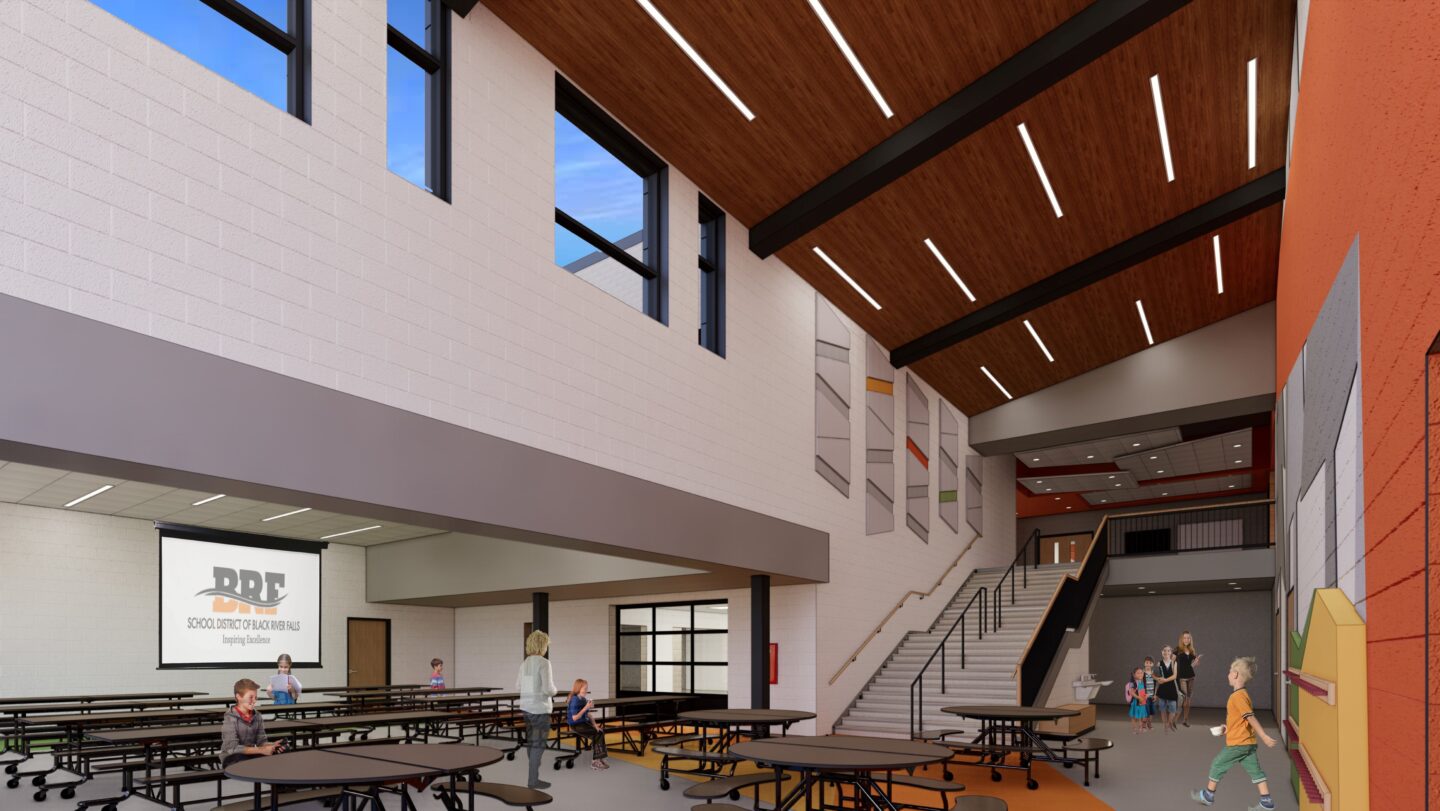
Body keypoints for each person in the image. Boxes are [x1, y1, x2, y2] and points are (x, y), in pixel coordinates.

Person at [1190, 657, 1277, 809]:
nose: (1228, 674)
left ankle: (1208, 796)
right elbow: (1241, 721)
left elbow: (1250, 717)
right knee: (1256, 771)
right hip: (1248, 743)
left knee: (1217, 764)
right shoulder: (1243, 695)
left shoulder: (1237, 697)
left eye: (1229, 671)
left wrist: (1264, 736)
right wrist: (1227, 729)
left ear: (1236, 674)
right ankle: (1266, 802)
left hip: (1238, 744)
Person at [516, 630, 556, 790]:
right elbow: (548, 689)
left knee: (532, 743)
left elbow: (518, 686)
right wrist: (555, 690)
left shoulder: (525, 663)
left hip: (526, 708)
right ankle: (533, 781)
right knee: (538, 745)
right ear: (542, 645)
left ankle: (533, 777)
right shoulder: (544, 663)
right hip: (540, 710)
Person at [220, 678, 281, 766]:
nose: (254, 701)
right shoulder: (230, 718)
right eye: (251, 697)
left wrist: (272, 745)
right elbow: (232, 748)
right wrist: (261, 750)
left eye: (255, 697)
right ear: (238, 697)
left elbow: (261, 742)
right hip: (231, 757)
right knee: (248, 761)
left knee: (277, 755)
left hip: (250, 755)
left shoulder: (257, 716)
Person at [566, 679, 609, 771]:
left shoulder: (583, 699)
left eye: (586, 688)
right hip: (576, 725)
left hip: (584, 723)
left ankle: (598, 759)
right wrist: (586, 707)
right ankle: (595, 761)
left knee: (599, 732)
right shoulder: (575, 700)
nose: (586, 690)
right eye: (584, 688)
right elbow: (574, 718)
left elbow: (588, 715)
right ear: (578, 688)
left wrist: (595, 725)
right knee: (597, 734)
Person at [1176, 631, 1203, 727]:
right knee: (1183, 699)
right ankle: (1174, 719)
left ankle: (1185, 720)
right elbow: (1172, 662)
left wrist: (1197, 661)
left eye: (1188, 638)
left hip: (1191, 677)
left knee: (1188, 699)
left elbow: (1192, 665)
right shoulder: (1178, 650)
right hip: (1182, 678)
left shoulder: (1192, 650)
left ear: (1190, 639)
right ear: (1182, 639)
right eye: (1185, 638)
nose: (1186, 639)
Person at [1156, 645, 1181, 732]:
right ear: (1162, 652)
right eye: (1164, 651)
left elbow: (1174, 676)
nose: (1166, 652)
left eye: (1168, 651)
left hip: (1171, 689)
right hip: (1162, 689)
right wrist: (1158, 679)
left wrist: (1165, 680)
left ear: (1171, 653)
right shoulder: (1159, 663)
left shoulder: (1174, 663)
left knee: (1173, 709)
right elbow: (1156, 676)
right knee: (1162, 709)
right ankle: (1165, 724)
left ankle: (1170, 723)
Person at [1124, 666, 1149, 734]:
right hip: (1135, 702)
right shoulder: (1132, 683)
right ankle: (1134, 729)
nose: (1140, 674)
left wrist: (1146, 695)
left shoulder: (1142, 682)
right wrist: (1138, 697)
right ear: (1134, 674)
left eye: (1141, 673)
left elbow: (1144, 691)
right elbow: (1132, 693)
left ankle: (1141, 727)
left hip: (1142, 702)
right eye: (1138, 673)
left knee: (1141, 715)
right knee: (1134, 716)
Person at [1143, 657, 1158, 731]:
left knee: (1151, 712)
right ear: (1144, 663)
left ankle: (1149, 724)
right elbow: (1140, 685)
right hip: (1145, 696)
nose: (1148, 664)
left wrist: (1155, 695)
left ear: (1152, 664)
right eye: (1146, 663)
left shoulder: (1153, 674)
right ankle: (1144, 725)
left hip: (1152, 696)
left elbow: (1156, 685)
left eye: (1150, 663)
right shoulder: (1142, 673)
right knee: (1146, 711)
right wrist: (1143, 695)